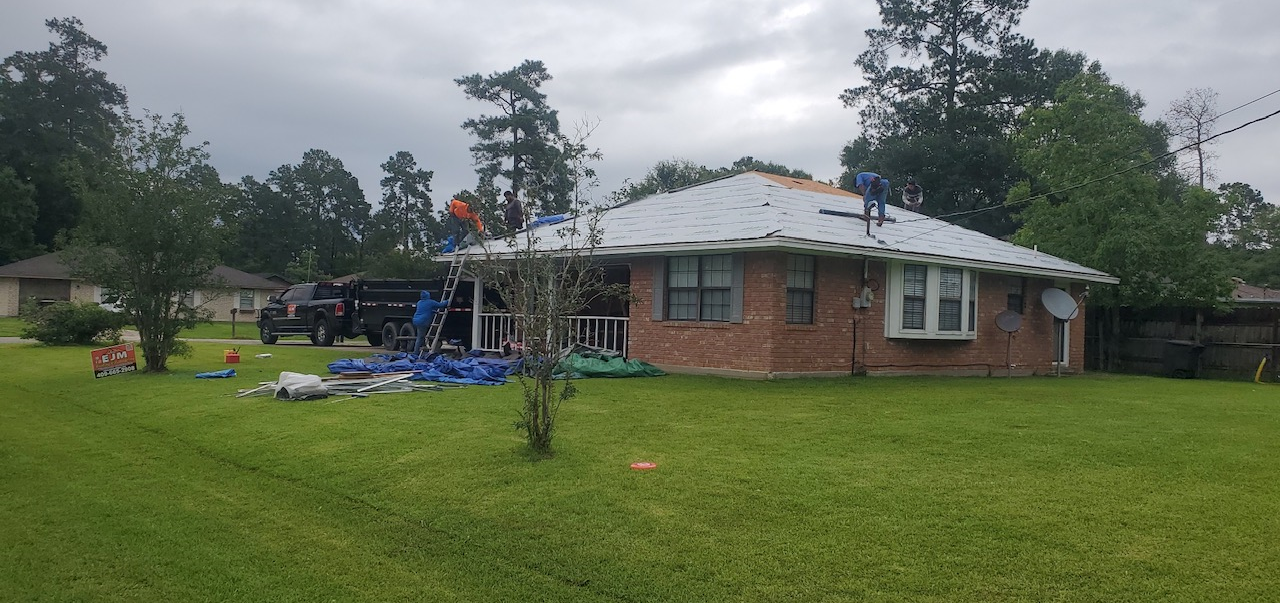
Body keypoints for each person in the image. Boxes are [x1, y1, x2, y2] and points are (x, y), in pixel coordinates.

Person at [411, 290, 448, 357]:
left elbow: (424, 310)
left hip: (416, 320)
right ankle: (416, 353)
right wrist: (447, 301)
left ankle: (418, 351)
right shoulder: (430, 302)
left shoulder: (419, 302)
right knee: (420, 337)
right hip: (423, 321)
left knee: (420, 336)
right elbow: (441, 305)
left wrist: (432, 311)